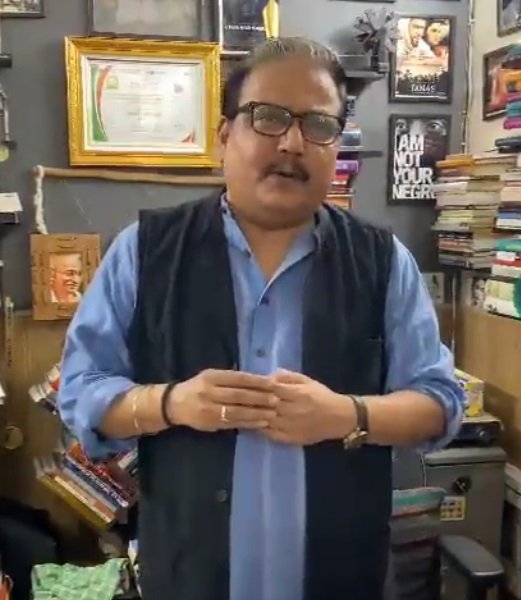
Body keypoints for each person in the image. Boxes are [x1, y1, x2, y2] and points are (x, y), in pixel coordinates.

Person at [57, 37, 464, 600]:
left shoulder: (382, 261)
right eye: (268, 117)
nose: (294, 142)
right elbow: (79, 393)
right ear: (225, 137)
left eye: (319, 124)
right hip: (187, 579)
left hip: (344, 580)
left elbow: (439, 402)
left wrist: (348, 415)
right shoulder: (145, 251)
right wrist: (171, 403)